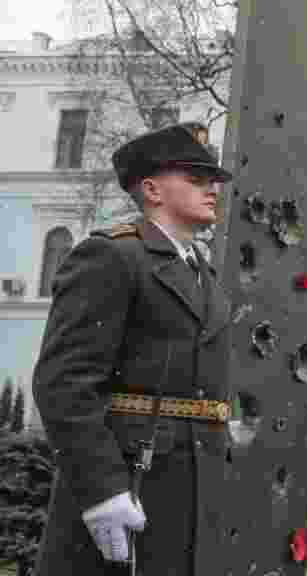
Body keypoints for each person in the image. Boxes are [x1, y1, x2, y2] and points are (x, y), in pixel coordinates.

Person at [32, 123, 234, 575]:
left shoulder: (204, 275)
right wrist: (102, 489)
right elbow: (65, 383)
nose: (212, 190)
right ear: (151, 189)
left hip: (190, 483)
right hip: (129, 479)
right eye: (197, 179)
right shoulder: (112, 256)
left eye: (213, 181)